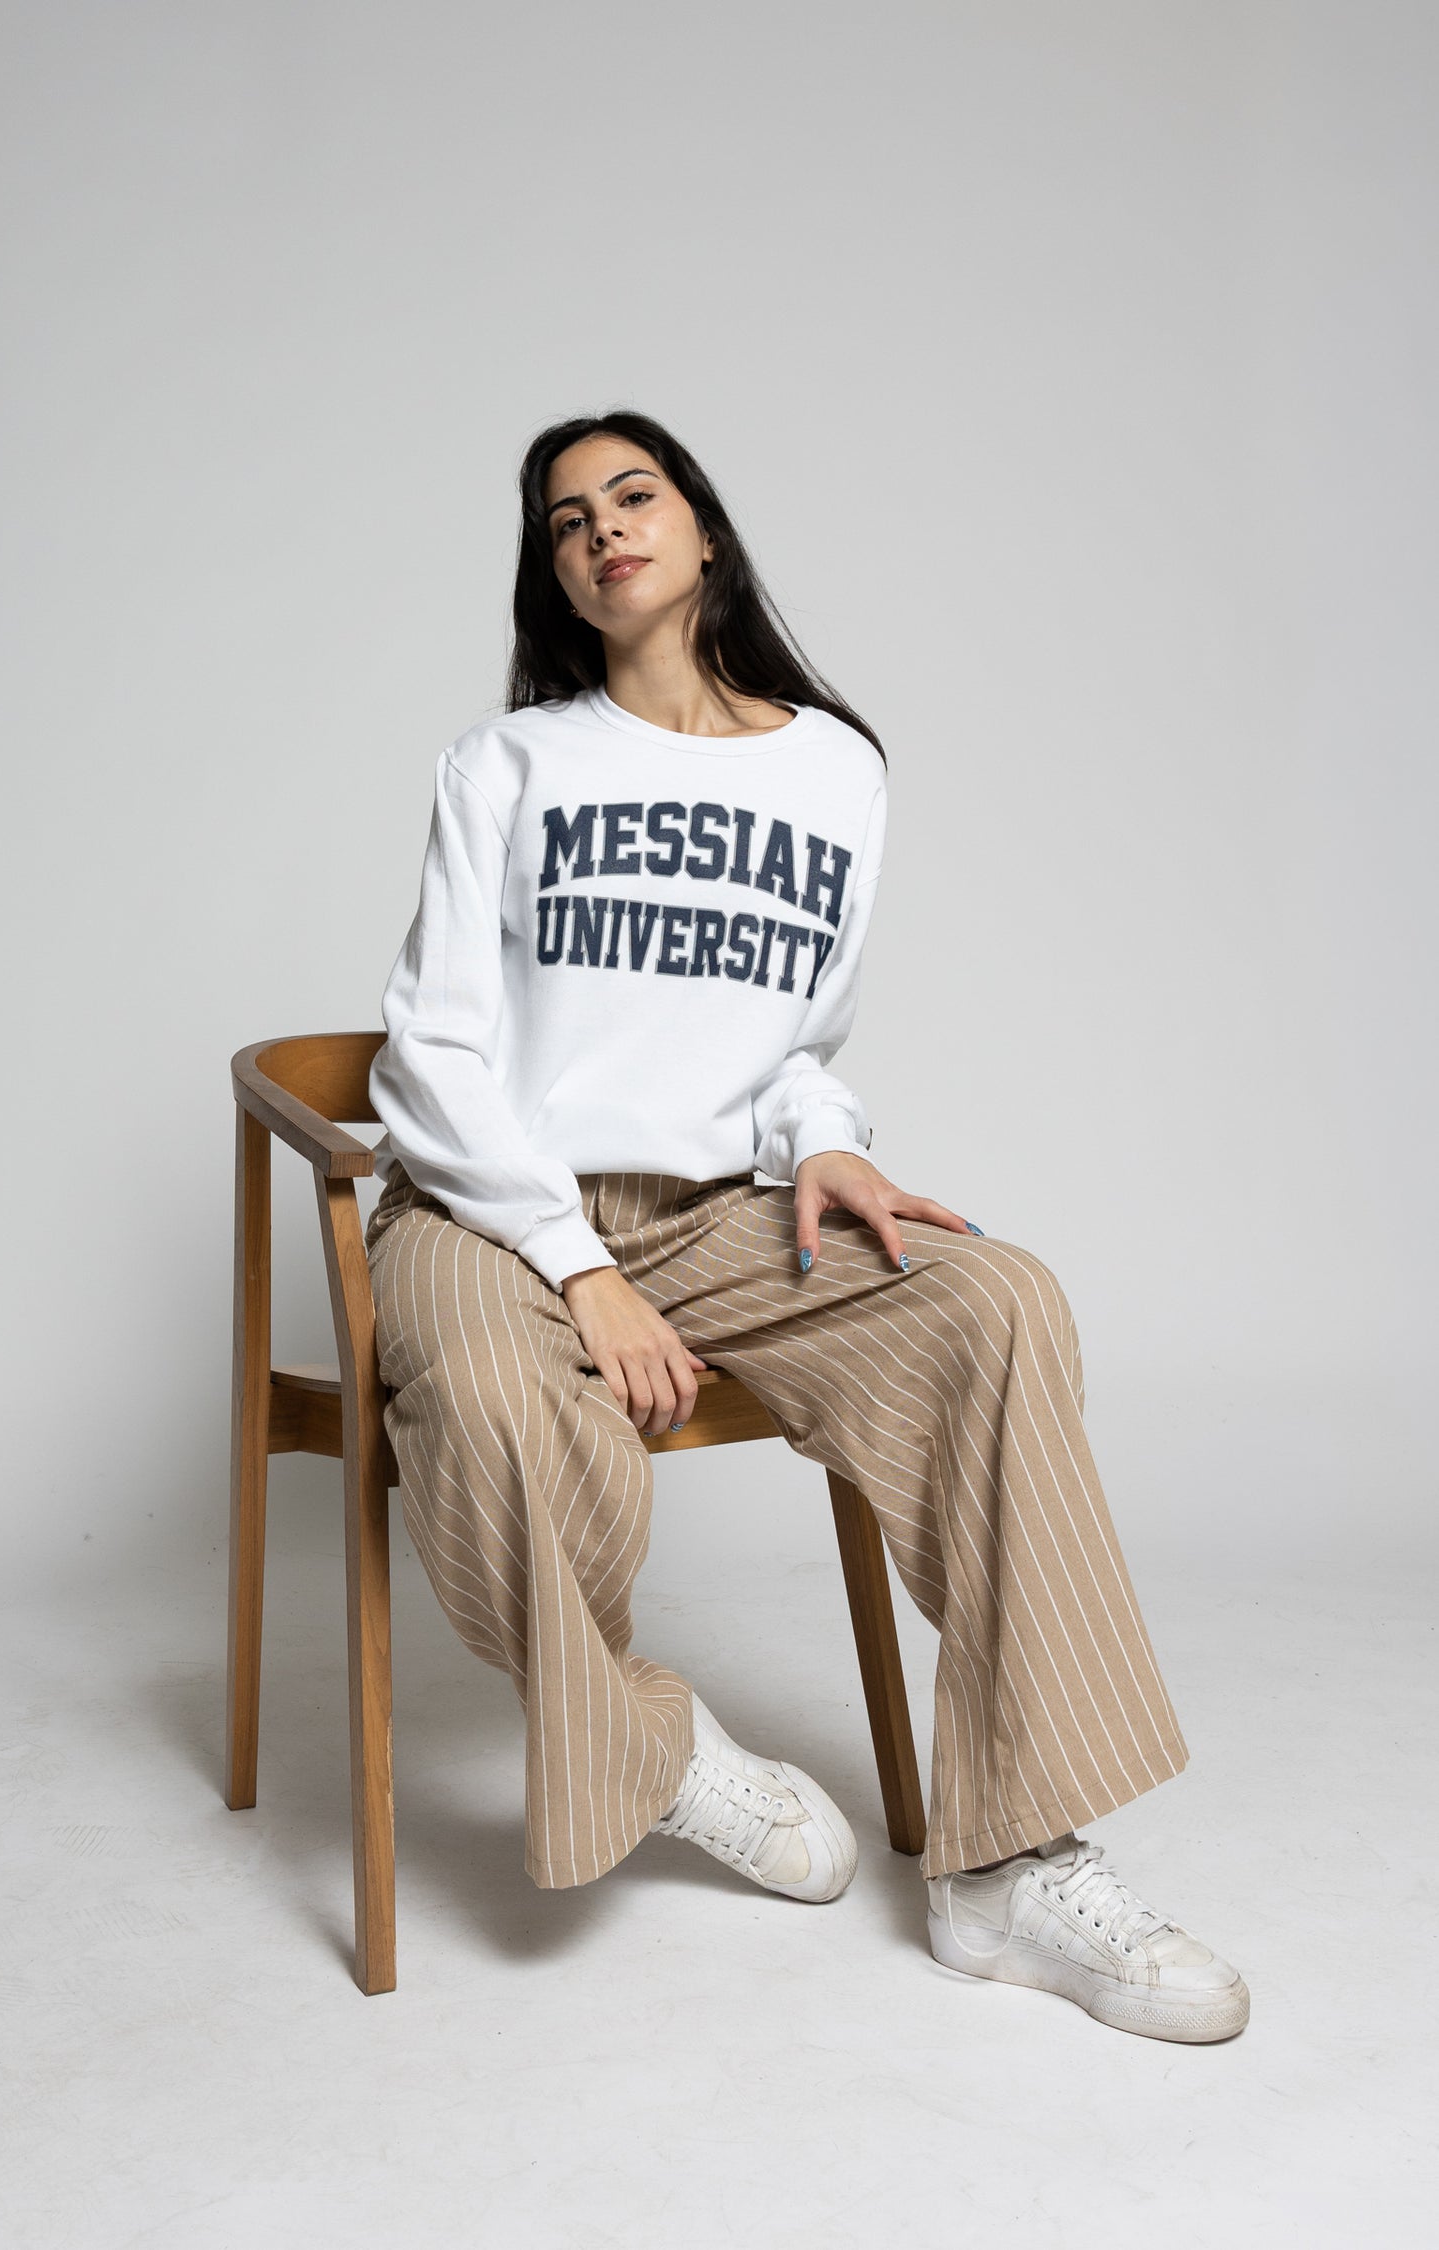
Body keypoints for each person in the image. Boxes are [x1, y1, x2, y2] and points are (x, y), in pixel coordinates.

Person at [363, 409, 1249, 2045]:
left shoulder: (834, 768)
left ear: (702, 528)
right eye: (566, 521)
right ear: (554, 579)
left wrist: (828, 1142)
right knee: (489, 1398)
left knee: (995, 1302)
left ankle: (1010, 1863)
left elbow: (791, 1045)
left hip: (720, 1216)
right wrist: (577, 1268)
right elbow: (433, 1056)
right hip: (490, 1215)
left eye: (634, 495)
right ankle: (659, 1746)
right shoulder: (510, 765)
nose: (602, 529)